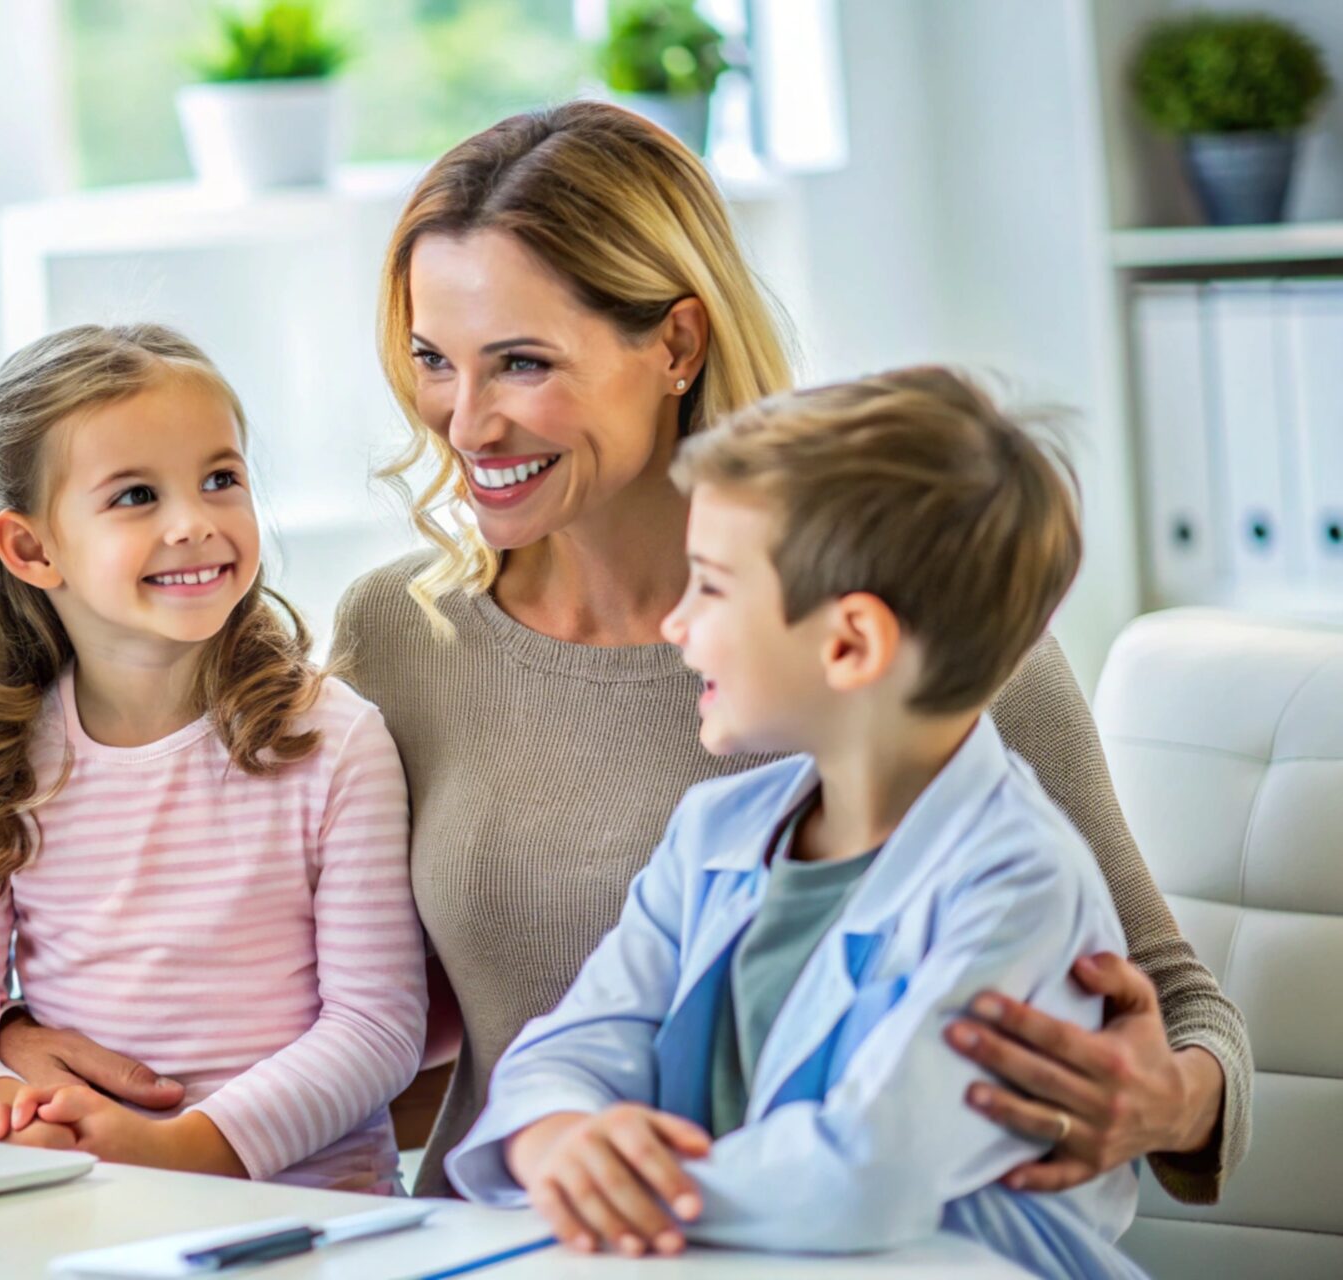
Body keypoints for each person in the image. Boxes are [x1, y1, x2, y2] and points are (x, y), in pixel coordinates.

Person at [321, 101, 1250, 1213]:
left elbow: (1164, 999)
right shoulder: (400, 632)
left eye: (521, 363)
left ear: (676, 345)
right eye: (433, 359)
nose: (464, 424)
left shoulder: (930, 633)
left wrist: (1169, 1101)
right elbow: (356, 1022)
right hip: (521, 1235)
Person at [447, 367, 1142, 1280]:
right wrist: (558, 1136)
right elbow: (579, 1041)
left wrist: (634, 1188)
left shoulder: (1018, 883)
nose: (676, 622)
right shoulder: (713, 832)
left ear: (849, 643)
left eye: (710, 588)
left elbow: (864, 1174)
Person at [0, 325, 426, 1191]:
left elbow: (376, 1029)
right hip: (96, 1211)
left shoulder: (333, 742)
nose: (194, 523)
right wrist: (8, 1115)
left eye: (221, 479)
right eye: (136, 495)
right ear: (31, 549)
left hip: (318, 1219)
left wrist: (182, 1150)